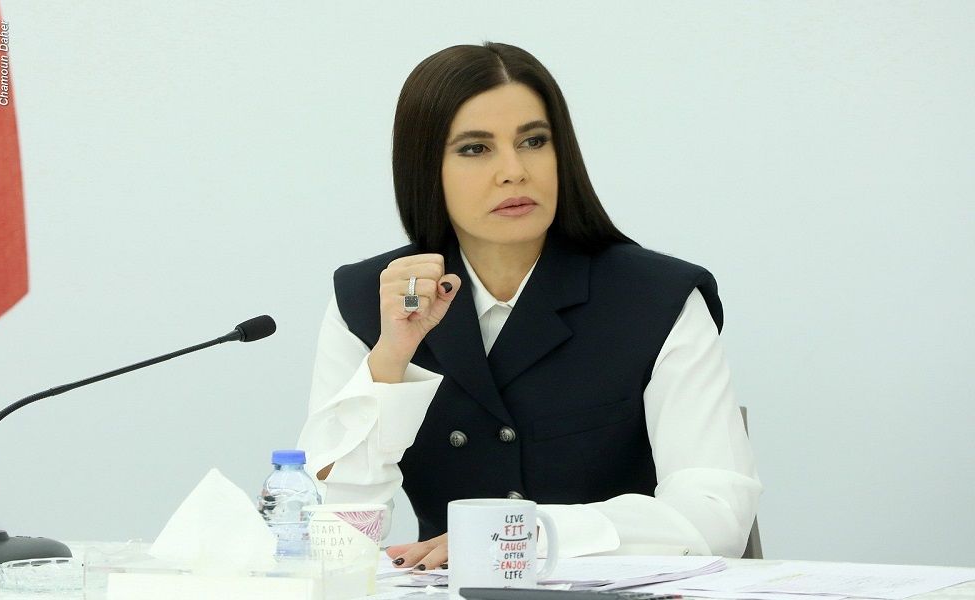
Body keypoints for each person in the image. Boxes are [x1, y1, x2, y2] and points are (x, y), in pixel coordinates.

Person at [297, 42, 762, 569]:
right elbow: (334, 530)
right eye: (476, 148)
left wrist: (531, 534)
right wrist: (389, 361)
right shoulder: (368, 300)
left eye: (534, 141)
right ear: (425, 167)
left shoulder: (658, 297)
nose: (514, 171)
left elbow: (717, 512)